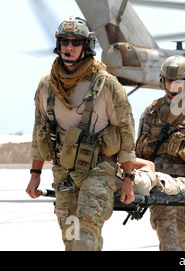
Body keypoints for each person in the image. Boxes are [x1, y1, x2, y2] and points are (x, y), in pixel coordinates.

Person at [25, 16, 136, 251]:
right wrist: (35, 173)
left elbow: (126, 134)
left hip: (99, 169)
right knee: (71, 237)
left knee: (86, 233)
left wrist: (128, 179)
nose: (69, 47)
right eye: (64, 41)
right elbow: (40, 132)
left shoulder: (107, 85)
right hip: (63, 169)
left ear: (86, 46)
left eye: (76, 42)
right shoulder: (47, 86)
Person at [136, 55, 185, 251]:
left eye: (178, 81)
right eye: (170, 80)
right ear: (163, 81)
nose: (173, 85)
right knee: (168, 238)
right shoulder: (151, 111)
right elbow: (138, 149)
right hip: (160, 186)